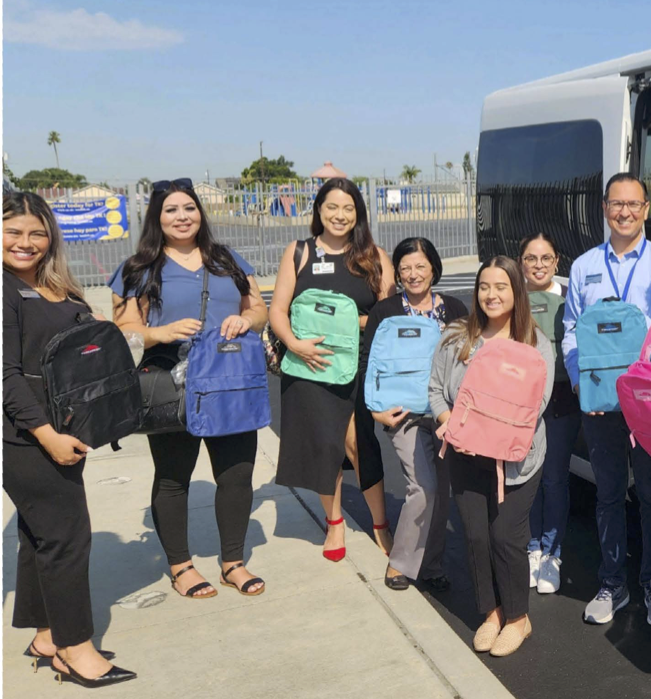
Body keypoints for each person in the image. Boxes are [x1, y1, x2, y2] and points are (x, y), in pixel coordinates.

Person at [111, 178, 268, 599]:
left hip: (229, 381)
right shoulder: (139, 269)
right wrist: (160, 333)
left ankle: (233, 561)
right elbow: (125, 331)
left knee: (237, 475)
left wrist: (246, 321)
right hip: (172, 384)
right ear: (157, 219)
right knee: (174, 477)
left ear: (200, 213)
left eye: (189, 208)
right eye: (171, 210)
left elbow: (258, 308)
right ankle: (181, 566)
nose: (182, 217)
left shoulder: (227, 260)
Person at [3, 192, 137, 688]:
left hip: (62, 430)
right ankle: (76, 649)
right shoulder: (4, 291)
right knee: (66, 539)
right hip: (26, 438)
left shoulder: (49, 283)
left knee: (39, 538)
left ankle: (45, 636)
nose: (26, 242)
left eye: (36, 232)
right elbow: (6, 376)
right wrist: (45, 435)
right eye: (13, 231)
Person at [562, 173, 651, 625]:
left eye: (634, 205)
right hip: (600, 403)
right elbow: (572, 330)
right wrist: (579, 380)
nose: (625, 212)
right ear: (604, 207)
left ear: (647, 209)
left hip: (649, 405)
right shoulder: (583, 267)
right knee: (609, 495)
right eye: (617, 204)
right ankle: (612, 583)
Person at [429, 256, 554, 657]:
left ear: (516, 291)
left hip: (517, 461)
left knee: (506, 536)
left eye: (501, 286)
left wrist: (488, 437)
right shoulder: (455, 337)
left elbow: (537, 405)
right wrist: (450, 423)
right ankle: (492, 613)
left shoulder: (535, 344)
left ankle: (519, 618)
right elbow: (435, 390)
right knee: (476, 536)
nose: (491, 294)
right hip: (464, 456)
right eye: (484, 286)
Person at [270, 178, 396, 561]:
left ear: (357, 214)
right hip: (311, 366)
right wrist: (294, 344)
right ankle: (335, 523)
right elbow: (277, 309)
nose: (339, 216)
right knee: (323, 446)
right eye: (332, 208)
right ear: (319, 211)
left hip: (357, 365)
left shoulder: (374, 255)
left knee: (360, 445)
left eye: (348, 209)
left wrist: (358, 324)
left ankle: (380, 524)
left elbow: (388, 313)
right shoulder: (299, 252)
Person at [363, 237, 468, 591]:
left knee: (441, 490)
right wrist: (376, 412)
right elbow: (370, 362)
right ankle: (401, 562)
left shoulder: (454, 308)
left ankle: (431, 562)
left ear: (434, 268)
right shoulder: (385, 311)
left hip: (445, 413)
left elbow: (469, 359)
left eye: (420, 266)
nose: (413, 274)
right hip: (403, 413)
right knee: (423, 487)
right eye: (405, 267)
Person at [518, 233, 581, 594]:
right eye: (531, 258)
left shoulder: (571, 300)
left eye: (545, 258)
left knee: (554, 478)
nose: (538, 265)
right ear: (521, 262)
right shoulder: (513, 301)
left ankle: (552, 555)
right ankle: (531, 547)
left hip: (561, 402)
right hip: (524, 403)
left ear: (557, 262)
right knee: (527, 477)